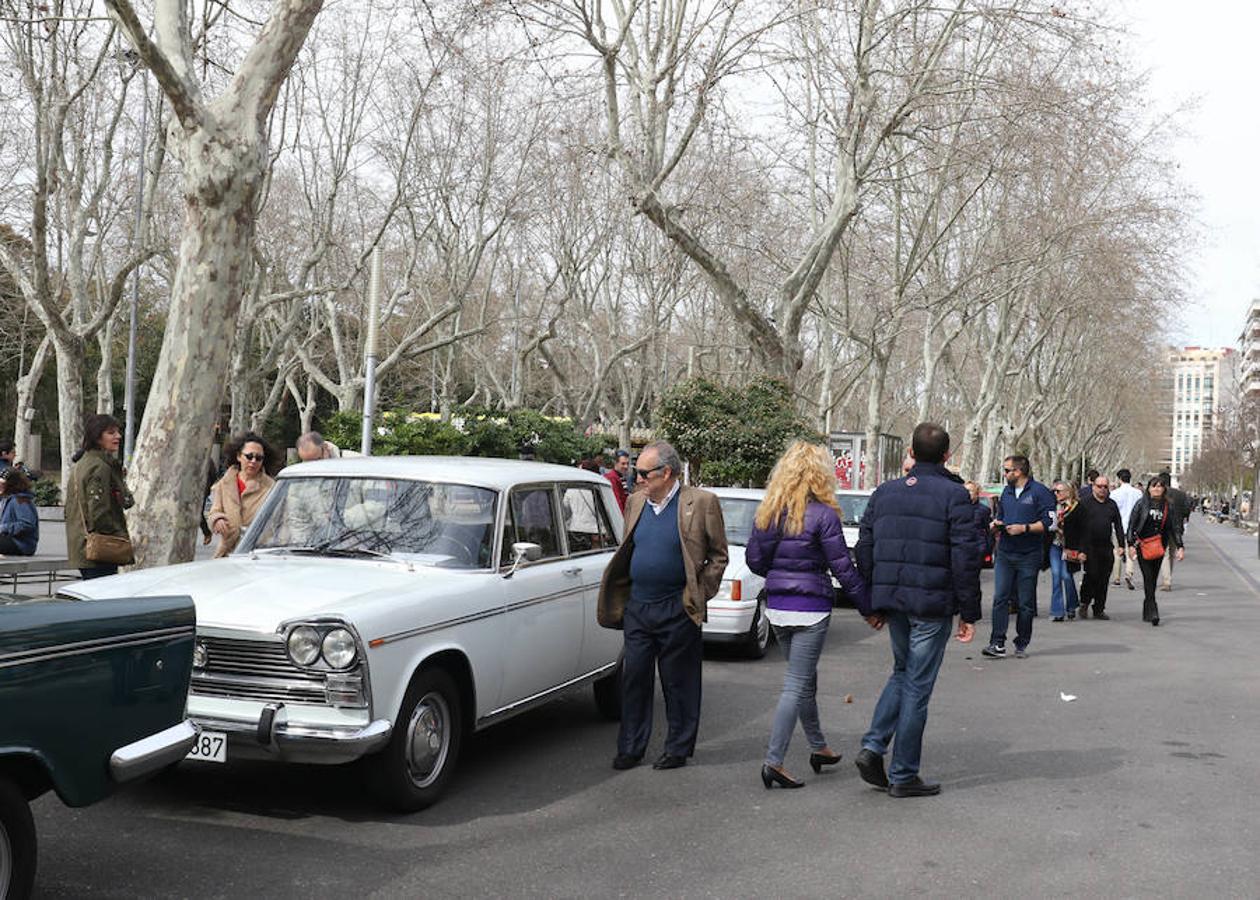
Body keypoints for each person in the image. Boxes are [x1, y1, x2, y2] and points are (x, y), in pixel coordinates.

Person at [853, 423, 981, 798]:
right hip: (931, 603)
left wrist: (871, 601)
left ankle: (875, 746)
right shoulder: (954, 495)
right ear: (946, 455)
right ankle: (903, 772)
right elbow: (965, 556)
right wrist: (968, 611)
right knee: (916, 685)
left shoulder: (886, 492)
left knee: (902, 672)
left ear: (911, 451)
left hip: (895, 600)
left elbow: (865, 546)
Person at [744, 441, 872, 789]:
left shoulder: (769, 510)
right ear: (820, 474)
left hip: (779, 607)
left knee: (803, 681)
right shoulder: (824, 514)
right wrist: (868, 607)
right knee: (796, 684)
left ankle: (819, 747)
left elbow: (755, 561)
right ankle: (774, 760)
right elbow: (842, 568)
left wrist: (781, 573)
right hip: (811, 609)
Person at [598, 441, 728, 772]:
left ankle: (678, 748)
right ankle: (630, 748)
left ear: (666, 473)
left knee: (679, 682)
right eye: (636, 472)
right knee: (634, 679)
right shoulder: (636, 502)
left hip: (677, 608)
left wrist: (698, 593)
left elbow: (718, 555)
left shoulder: (701, 503)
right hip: (639, 606)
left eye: (643, 473)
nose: (636, 479)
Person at [981, 456, 1055, 659]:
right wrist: (997, 524)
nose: (1004, 474)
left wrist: (1025, 528)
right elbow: (1002, 515)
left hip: (1029, 554)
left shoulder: (1041, 492)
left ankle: (1022, 642)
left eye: (1007, 470)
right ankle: (997, 643)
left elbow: (1050, 523)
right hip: (1005, 552)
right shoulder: (1006, 492)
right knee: (1000, 598)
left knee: (1025, 602)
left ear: (1019, 471)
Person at [65, 414, 133, 579]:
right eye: (111, 433)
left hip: (82, 546)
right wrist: (116, 535)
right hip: (99, 549)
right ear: (97, 437)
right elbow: (98, 512)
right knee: (103, 598)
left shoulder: (82, 463)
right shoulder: (100, 467)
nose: (118, 436)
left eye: (118, 432)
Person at [208, 432, 278, 558]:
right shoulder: (224, 483)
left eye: (259, 458)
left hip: (257, 555)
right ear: (239, 456)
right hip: (227, 553)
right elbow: (214, 511)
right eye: (249, 456)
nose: (253, 461)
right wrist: (217, 519)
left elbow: (280, 522)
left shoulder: (272, 487)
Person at [1128, 475, 1184, 626]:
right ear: (1149, 489)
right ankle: (1153, 610)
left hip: (1159, 546)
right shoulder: (1141, 504)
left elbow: (1175, 527)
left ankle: (1147, 608)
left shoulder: (1168, 506)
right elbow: (1132, 525)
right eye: (1154, 486)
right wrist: (1131, 544)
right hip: (1143, 546)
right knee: (1148, 577)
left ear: (1164, 488)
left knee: (1153, 577)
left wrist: (1180, 546)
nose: (1157, 488)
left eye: (1160, 486)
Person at [1075, 475, 1126, 620]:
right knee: (1091, 576)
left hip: (1106, 546)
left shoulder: (1112, 504)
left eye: (1105, 487)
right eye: (1099, 486)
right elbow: (1076, 527)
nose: (1103, 489)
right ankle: (1084, 602)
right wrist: (1079, 549)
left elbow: (1118, 525)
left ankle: (1099, 608)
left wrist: (1121, 545)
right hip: (1088, 547)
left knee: (1104, 579)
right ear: (1093, 487)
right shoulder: (1084, 503)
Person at [1048, 480, 1083, 621]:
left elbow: (1083, 529)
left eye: (1059, 491)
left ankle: (1072, 605)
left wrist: (1082, 550)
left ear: (1068, 492)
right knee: (1056, 576)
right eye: (1054, 491)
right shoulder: (1053, 507)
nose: (1056, 494)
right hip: (1055, 546)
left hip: (1069, 547)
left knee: (1067, 576)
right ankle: (1057, 611)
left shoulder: (1077, 508)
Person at [1110, 470, 1142, 590]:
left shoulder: (1115, 493)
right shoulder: (1138, 493)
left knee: (1117, 551)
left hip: (1118, 526)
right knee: (1131, 551)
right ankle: (1129, 574)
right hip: (1133, 527)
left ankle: (1116, 578)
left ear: (1119, 479)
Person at [1159, 473, 1192, 591]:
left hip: (1164, 528)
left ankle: (1167, 581)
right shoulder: (1181, 495)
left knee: (1165, 554)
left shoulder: (1161, 495)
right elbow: (1187, 510)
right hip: (1177, 527)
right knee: (1171, 553)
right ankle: (1168, 578)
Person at [0, 467, 39, 555]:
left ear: (11, 485)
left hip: (22, 544)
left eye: (2, 484)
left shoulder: (20, 500)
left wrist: (3, 528)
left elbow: (27, 524)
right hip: (11, 539)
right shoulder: (7, 499)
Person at [964, 481, 993, 567]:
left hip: (976, 549)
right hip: (960, 548)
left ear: (977, 494)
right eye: (965, 490)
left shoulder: (984, 510)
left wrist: (986, 549)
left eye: (970, 490)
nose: (967, 493)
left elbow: (988, 531)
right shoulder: (956, 508)